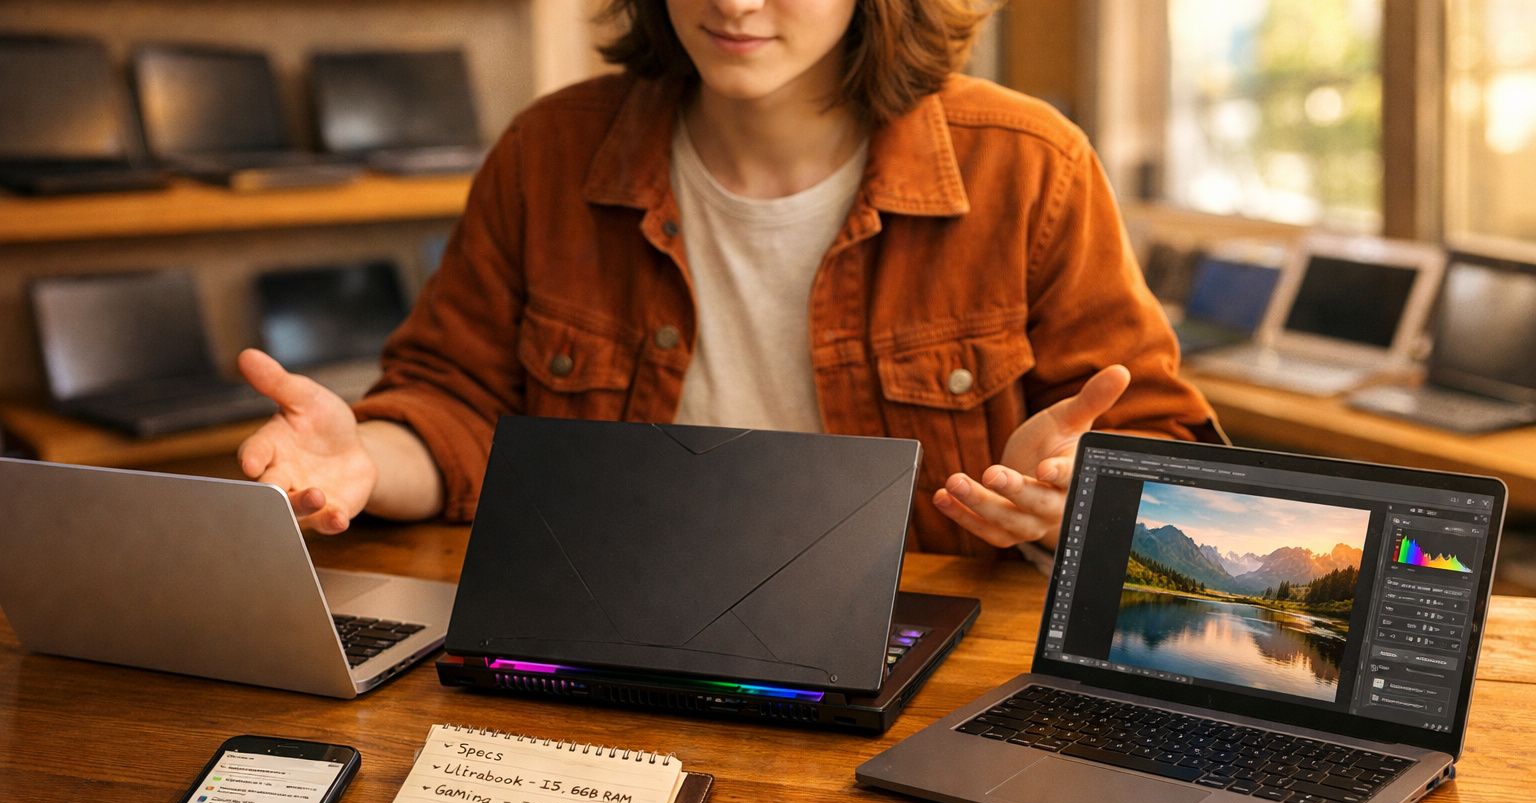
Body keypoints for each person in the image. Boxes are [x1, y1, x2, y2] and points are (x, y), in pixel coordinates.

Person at [236, 0, 1220, 556]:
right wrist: (363, 455)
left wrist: (1076, 492)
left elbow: (1167, 467)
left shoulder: (1030, 164)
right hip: (611, 642)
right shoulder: (552, 151)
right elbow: (455, 409)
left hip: (928, 663)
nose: (735, 3)